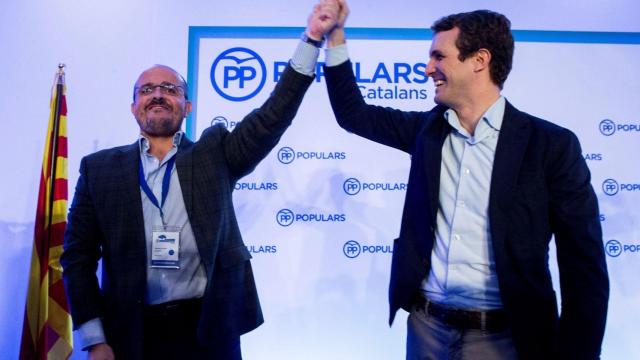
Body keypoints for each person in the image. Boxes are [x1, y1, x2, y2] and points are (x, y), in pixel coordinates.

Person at [314, 1, 609, 359]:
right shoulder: (427, 131)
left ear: (479, 61)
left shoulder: (550, 146)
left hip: (508, 339)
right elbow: (353, 115)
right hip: (427, 330)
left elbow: (584, 265)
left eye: (439, 57)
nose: (427, 69)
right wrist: (335, 36)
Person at [60, 2, 340, 358]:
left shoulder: (214, 153)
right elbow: (78, 257)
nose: (158, 94)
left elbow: (272, 116)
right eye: (146, 90)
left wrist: (312, 38)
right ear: (133, 107)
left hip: (208, 329)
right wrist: (95, 338)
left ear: (187, 106)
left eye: (170, 88)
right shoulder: (99, 169)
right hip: (130, 332)